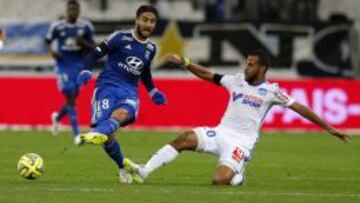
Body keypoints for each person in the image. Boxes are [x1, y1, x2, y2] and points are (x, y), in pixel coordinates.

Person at [123, 52, 350, 185]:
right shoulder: (236, 80)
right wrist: (186, 62)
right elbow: (208, 75)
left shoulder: (272, 91)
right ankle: (145, 171)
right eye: (247, 63)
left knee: (219, 181)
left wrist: (329, 128)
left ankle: (238, 173)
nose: (246, 67)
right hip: (220, 132)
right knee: (184, 138)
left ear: (263, 68)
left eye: (251, 65)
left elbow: (300, 108)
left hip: (241, 142)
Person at [77, 5, 167, 183]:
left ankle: (96, 133)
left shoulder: (151, 48)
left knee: (122, 114)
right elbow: (93, 54)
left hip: (129, 91)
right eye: (145, 19)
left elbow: (144, 71)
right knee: (108, 137)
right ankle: (122, 166)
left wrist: (152, 90)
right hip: (106, 88)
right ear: (137, 21)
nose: (148, 24)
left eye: (152, 21)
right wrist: (86, 70)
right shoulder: (119, 37)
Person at [45, 0, 95, 145]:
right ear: (67, 10)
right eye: (70, 9)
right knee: (70, 95)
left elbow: (94, 47)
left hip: (78, 66)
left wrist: (83, 43)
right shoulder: (57, 26)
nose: (73, 11)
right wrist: (52, 52)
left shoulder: (86, 26)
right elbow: (47, 40)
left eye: (75, 9)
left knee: (72, 97)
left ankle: (57, 118)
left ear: (78, 11)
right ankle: (76, 135)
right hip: (63, 64)